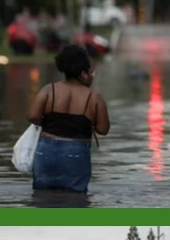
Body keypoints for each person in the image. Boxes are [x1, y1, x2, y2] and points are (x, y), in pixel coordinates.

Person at [26, 45, 110, 192]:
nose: (92, 76)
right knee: (75, 201)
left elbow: (32, 116)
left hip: (46, 150)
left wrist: (47, 122)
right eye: (91, 72)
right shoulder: (94, 98)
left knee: (42, 198)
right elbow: (103, 129)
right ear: (84, 74)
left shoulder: (48, 90)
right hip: (76, 153)